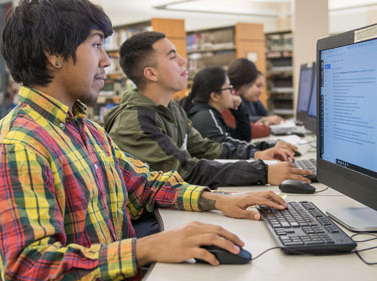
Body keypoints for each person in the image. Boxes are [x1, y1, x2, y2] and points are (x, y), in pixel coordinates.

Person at [0, 1, 290, 281]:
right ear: (54, 54)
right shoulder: (17, 148)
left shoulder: (85, 129)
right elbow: (28, 274)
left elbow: (142, 184)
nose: (107, 61)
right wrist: (146, 248)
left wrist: (218, 199)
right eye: (96, 45)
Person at [104, 31, 311, 189]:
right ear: (151, 73)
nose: (183, 61)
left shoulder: (172, 108)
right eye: (172, 56)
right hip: (149, 221)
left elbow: (206, 148)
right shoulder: (135, 122)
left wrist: (256, 153)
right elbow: (185, 171)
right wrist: (263, 171)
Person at [181, 66, 295, 154]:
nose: (233, 92)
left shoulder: (211, 113)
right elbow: (229, 149)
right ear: (215, 96)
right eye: (229, 88)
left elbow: (243, 138)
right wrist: (270, 147)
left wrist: (238, 110)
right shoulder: (206, 116)